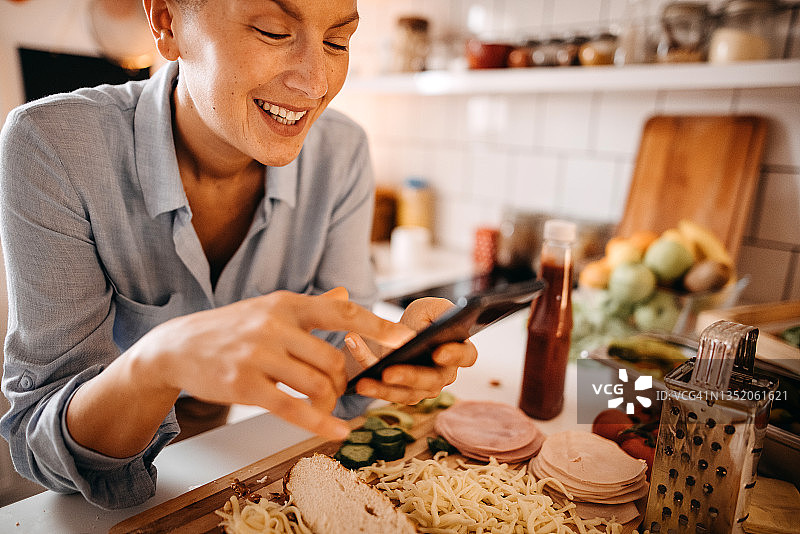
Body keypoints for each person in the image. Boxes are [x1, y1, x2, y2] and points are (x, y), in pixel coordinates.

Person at [0, 0, 477, 509]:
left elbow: (343, 362)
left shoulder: (342, 154)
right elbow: (42, 444)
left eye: (338, 42)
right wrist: (162, 362)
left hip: (218, 466)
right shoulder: (53, 145)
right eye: (273, 32)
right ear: (165, 22)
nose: (315, 82)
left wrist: (389, 358)